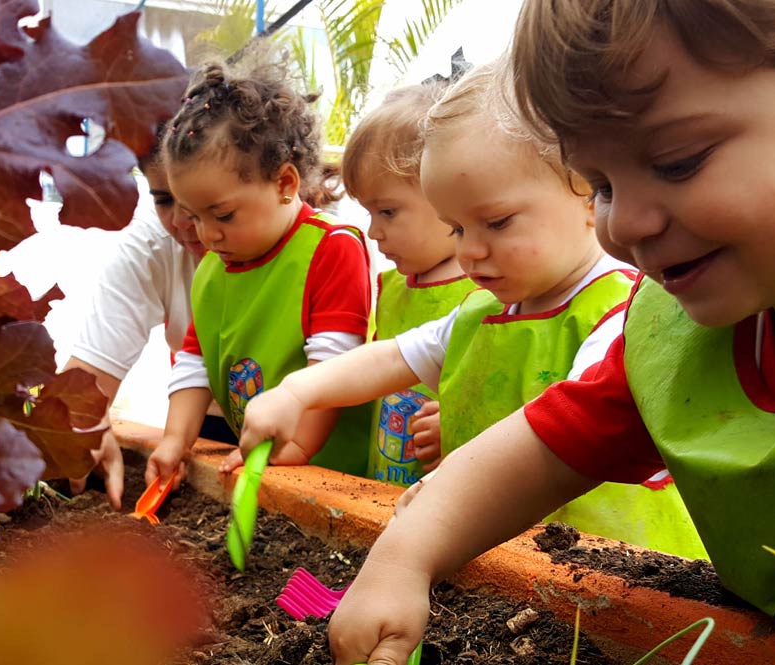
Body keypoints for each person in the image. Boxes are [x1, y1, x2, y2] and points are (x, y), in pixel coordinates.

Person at [325, 1, 775, 662]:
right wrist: (405, 554)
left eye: (678, 161)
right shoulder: (680, 330)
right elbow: (545, 443)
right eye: (603, 183)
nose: (624, 227)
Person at [232, 60, 703, 557]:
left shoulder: (617, 316)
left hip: (614, 576)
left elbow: (565, 438)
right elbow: (394, 357)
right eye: (456, 228)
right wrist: (297, 393)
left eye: (497, 223)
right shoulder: (481, 312)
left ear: (587, 193)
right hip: (503, 564)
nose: (470, 251)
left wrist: (442, 500)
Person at [145, 59, 372, 486]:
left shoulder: (332, 247)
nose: (207, 235)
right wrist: (176, 440)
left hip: (329, 473)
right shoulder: (215, 265)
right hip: (264, 465)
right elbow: (194, 360)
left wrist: (297, 447)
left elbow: (333, 364)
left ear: (285, 183)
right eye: (194, 217)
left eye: (224, 215)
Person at [341, 81, 475, 486]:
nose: (373, 231)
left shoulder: (489, 291)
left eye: (387, 211)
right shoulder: (391, 288)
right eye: (368, 212)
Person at [63, 137, 208, 509]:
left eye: (203, 201)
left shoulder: (317, 249)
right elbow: (85, 386)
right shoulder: (150, 242)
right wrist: (85, 425)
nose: (180, 220)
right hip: (199, 422)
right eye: (163, 199)